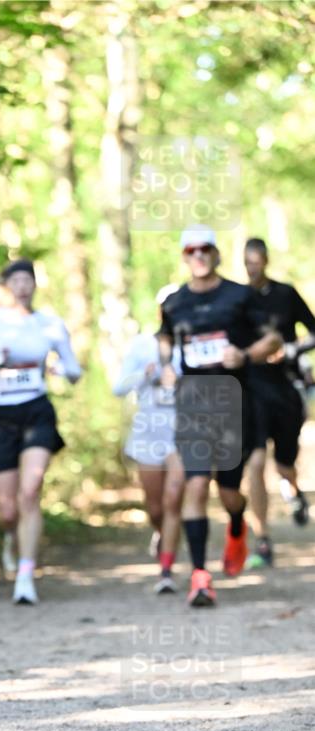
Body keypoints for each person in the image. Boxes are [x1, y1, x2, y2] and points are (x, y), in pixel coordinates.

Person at [158, 227, 282, 607]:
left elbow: (274, 338)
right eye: (191, 250)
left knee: (229, 493)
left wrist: (244, 356)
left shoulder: (239, 296)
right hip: (192, 405)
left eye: (205, 249)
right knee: (196, 486)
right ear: (184, 256)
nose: (198, 255)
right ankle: (200, 576)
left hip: (233, 405)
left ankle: (237, 525)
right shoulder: (175, 301)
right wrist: (166, 363)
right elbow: (164, 337)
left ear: (216, 253)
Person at [0, 259, 81, 604]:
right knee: (8, 510)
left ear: (34, 284)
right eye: (16, 279)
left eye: (28, 279)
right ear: (6, 285)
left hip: (37, 412)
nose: (23, 286)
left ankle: (26, 574)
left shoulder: (50, 325)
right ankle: (11, 537)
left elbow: (74, 370)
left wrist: (62, 369)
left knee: (30, 492)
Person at [243, 237, 314, 567]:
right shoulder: (238, 300)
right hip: (252, 390)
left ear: (266, 261)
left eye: (256, 261)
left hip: (285, 389)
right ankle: (263, 540)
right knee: (255, 463)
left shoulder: (286, 294)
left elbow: (314, 331)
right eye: (246, 262)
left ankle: (295, 492)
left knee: (284, 464)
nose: (251, 267)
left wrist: (291, 350)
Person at [113, 296, 185, 595]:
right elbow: (118, 387)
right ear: (159, 312)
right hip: (148, 431)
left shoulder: (190, 347)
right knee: (155, 507)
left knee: (173, 499)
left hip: (182, 432)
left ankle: (166, 570)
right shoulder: (141, 345)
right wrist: (145, 374)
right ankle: (159, 532)